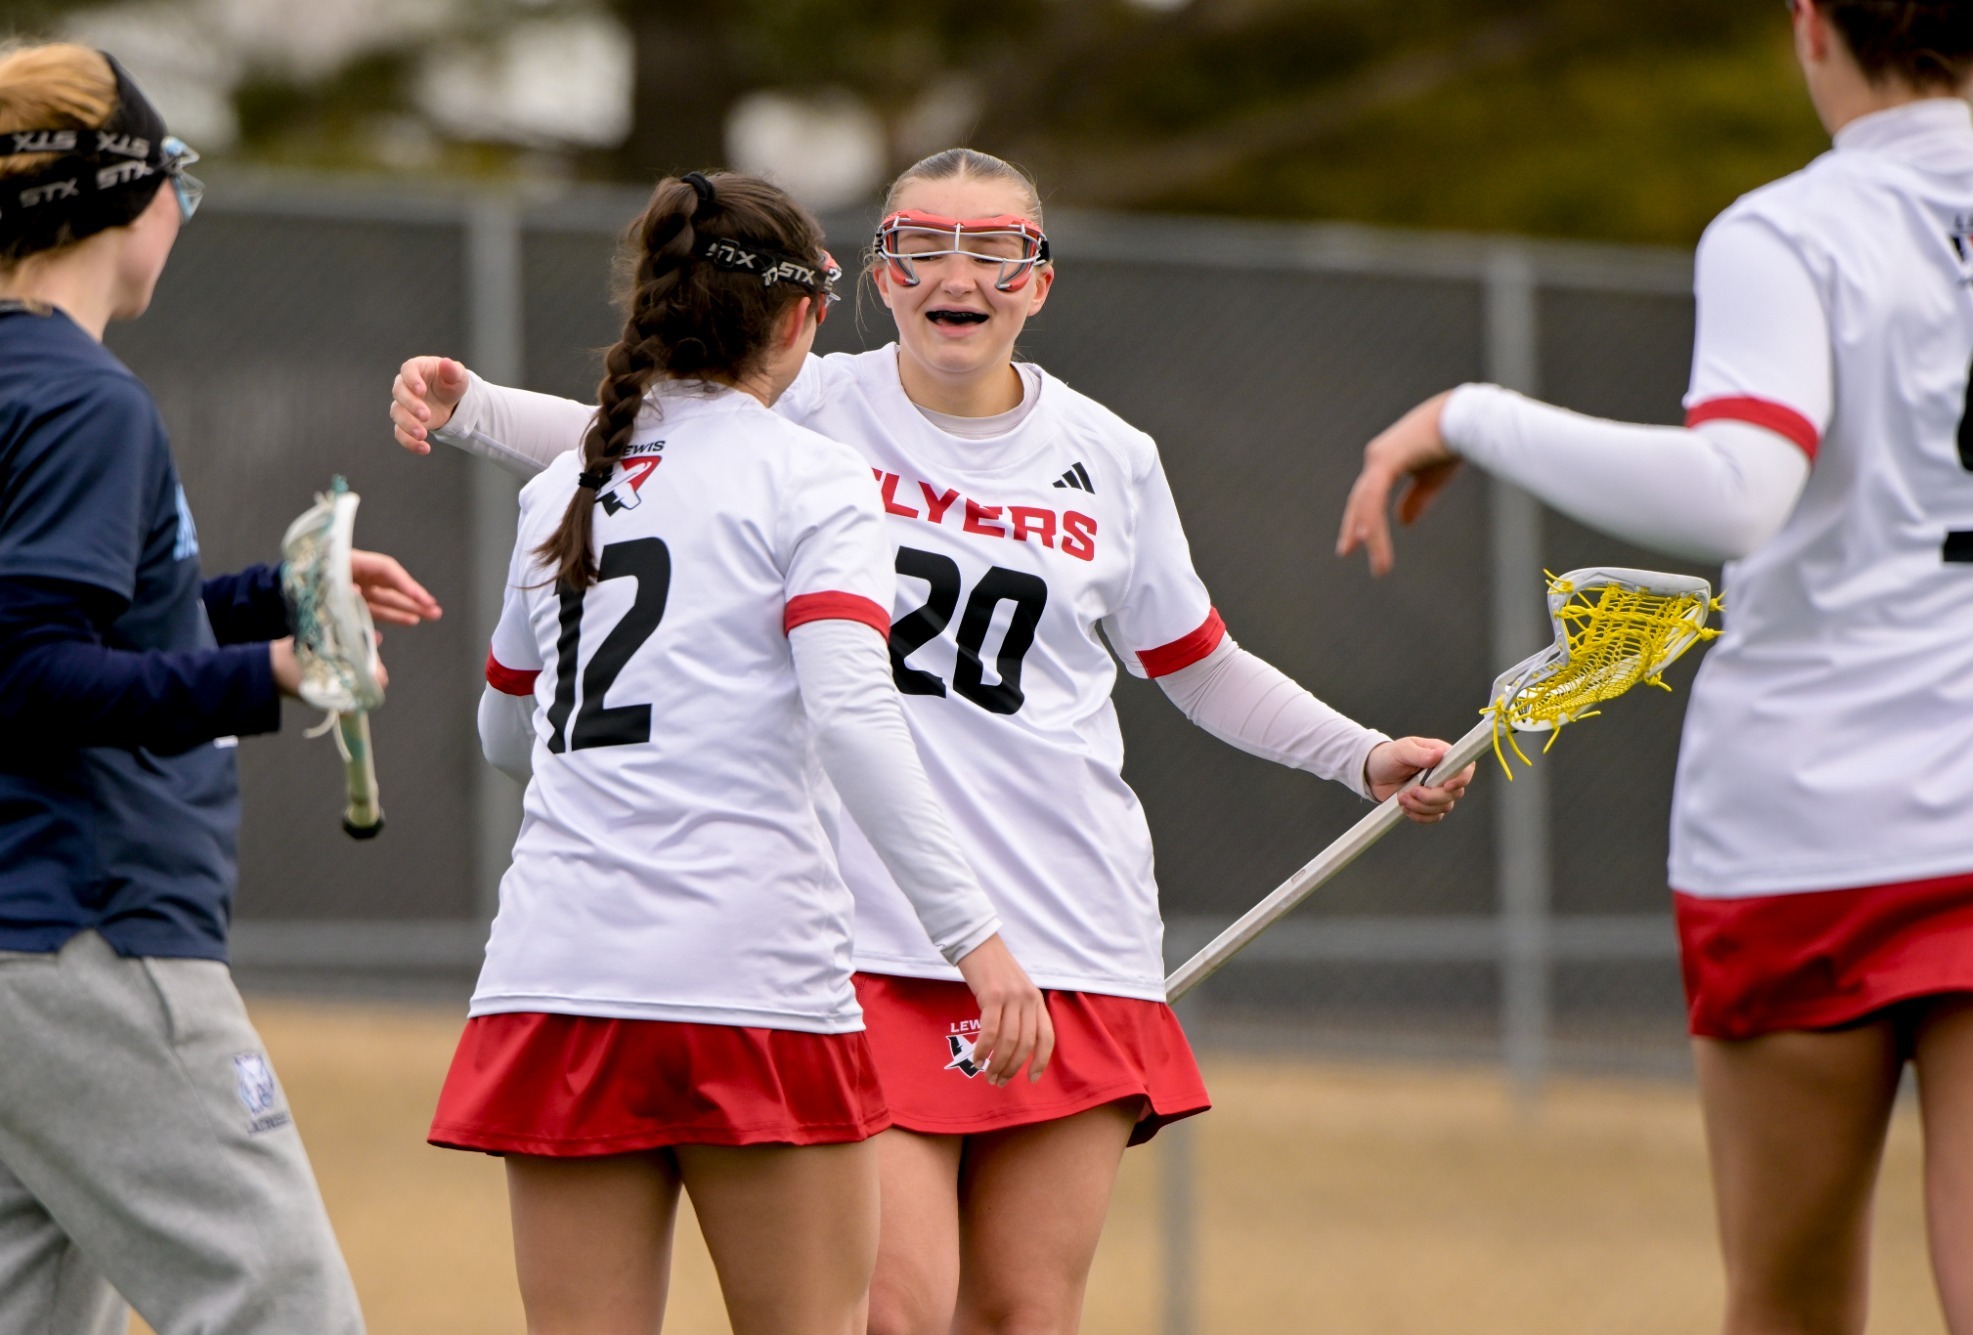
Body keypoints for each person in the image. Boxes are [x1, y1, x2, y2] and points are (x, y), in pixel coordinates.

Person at [394, 149, 1470, 1335]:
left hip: (1069, 928)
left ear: (1039, 281)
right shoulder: (812, 407)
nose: (958, 273)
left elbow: (1196, 663)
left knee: (1020, 1312)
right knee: (894, 1310)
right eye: (921, 245)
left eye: (995, 249)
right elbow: (658, 448)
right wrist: (476, 412)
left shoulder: (1110, 457)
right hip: (873, 933)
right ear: (874, 277)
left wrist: (1359, 754)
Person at [1337, 3, 1973, 1331]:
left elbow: (1738, 493)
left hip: (1809, 828)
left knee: (1791, 1302)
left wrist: (1474, 413)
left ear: (1810, 26)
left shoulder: (1790, 228)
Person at [425, 168, 1051, 1335]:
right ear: (803, 318)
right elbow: (856, 719)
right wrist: (979, 940)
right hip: (746, 982)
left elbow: (505, 730)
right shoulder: (812, 476)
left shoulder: (567, 480)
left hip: (559, 979)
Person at [0, 42, 440, 1335]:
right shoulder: (85, 400)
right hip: (89, 926)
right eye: (175, 177)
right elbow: (26, 670)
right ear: (129, 197)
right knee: (283, 1310)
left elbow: (68, 609)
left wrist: (258, 599)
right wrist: (276, 671)